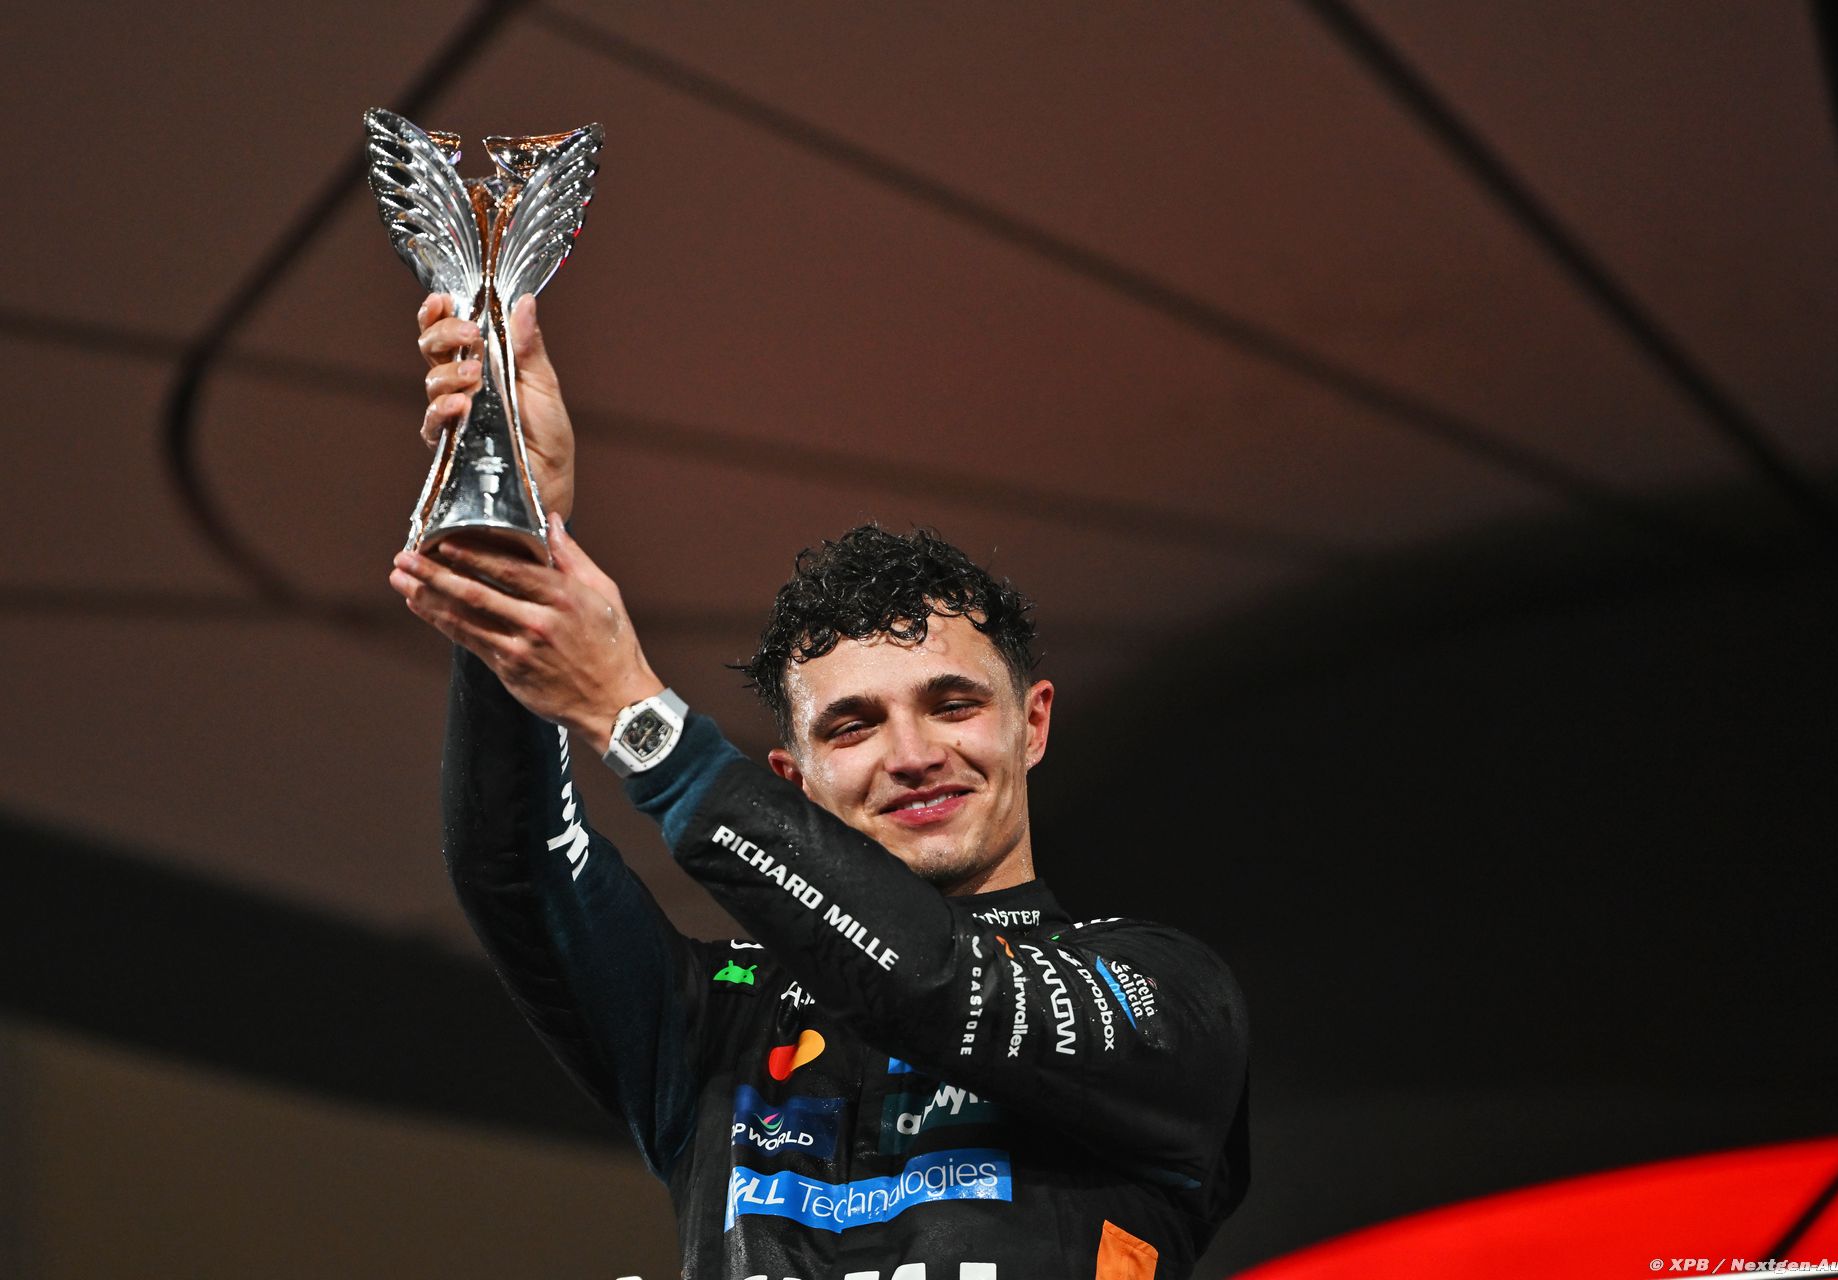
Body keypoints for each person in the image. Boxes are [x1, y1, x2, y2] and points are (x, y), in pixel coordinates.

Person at [388, 294, 1249, 1280]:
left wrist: (640, 720)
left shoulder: (1165, 996)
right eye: (853, 725)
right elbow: (515, 870)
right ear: (791, 781)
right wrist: (517, 527)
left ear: (1034, 724)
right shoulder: (718, 1018)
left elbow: (933, 984)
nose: (912, 753)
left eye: (954, 704)